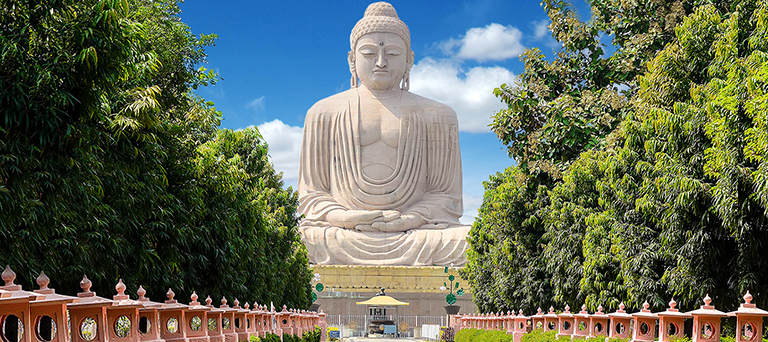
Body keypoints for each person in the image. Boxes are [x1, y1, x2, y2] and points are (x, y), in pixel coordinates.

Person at [298, 2, 470, 265]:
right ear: (351, 60)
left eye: (392, 53)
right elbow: (312, 195)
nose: (380, 62)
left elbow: (446, 198)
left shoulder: (439, 115)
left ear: (409, 59)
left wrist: (409, 219)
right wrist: (345, 217)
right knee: (298, 240)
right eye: (369, 53)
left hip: (415, 234)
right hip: (343, 232)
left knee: (469, 241)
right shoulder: (323, 112)